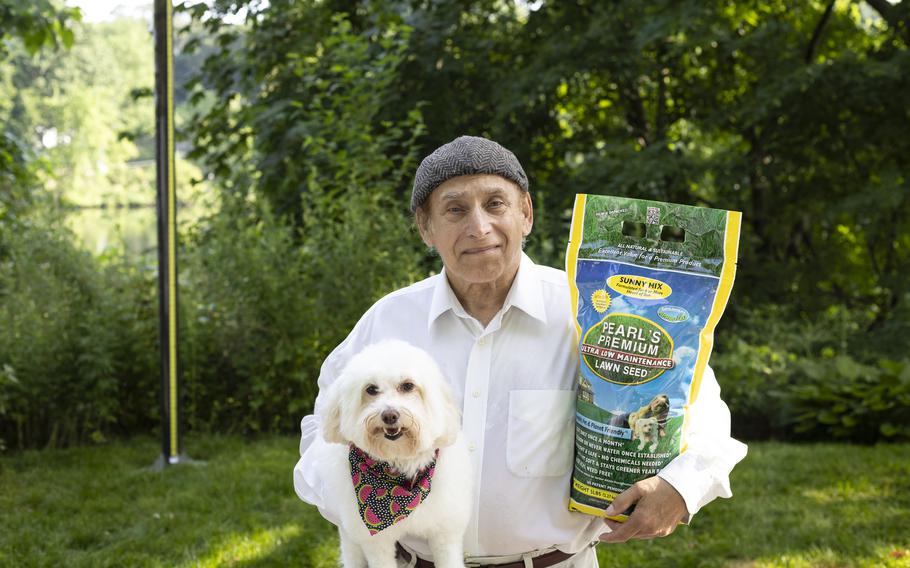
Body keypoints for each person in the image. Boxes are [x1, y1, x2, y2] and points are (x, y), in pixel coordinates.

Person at [294, 135, 747, 567]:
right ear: (425, 228)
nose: (479, 227)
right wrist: (353, 501)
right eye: (455, 210)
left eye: (495, 204)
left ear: (526, 213)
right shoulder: (388, 322)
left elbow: (703, 419)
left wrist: (680, 488)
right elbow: (321, 429)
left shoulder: (589, 312)